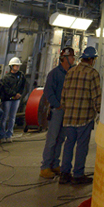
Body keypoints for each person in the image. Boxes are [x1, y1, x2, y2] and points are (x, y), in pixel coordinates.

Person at [59, 45, 101, 185]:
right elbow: (96, 96)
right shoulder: (93, 73)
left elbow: (63, 95)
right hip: (84, 117)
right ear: (92, 59)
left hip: (69, 117)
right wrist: (100, 112)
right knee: (82, 147)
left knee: (68, 145)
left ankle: (64, 174)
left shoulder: (70, 72)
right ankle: (78, 175)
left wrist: (67, 110)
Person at [39, 46, 76, 179]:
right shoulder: (54, 74)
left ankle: (55, 164)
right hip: (57, 111)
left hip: (66, 111)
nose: (73, 59)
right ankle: (45, 167)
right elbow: (48, 91)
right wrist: (57, 104)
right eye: (71, 57)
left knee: (60, 139)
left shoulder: (72, 72)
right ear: (64, 58)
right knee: (52, 139)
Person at [0, 57, 27, 142]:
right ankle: (2, 135)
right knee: (4, 117)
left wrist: (19, 95)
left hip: (16, 99)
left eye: (18, 66)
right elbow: (6, 88)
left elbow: (23, 86)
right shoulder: (6, 77)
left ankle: (9, 134)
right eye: (16, 66)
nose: (18, 67)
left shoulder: (21, 76)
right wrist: (14, 94)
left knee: (12, 117)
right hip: (8, 99)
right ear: (11, 66)